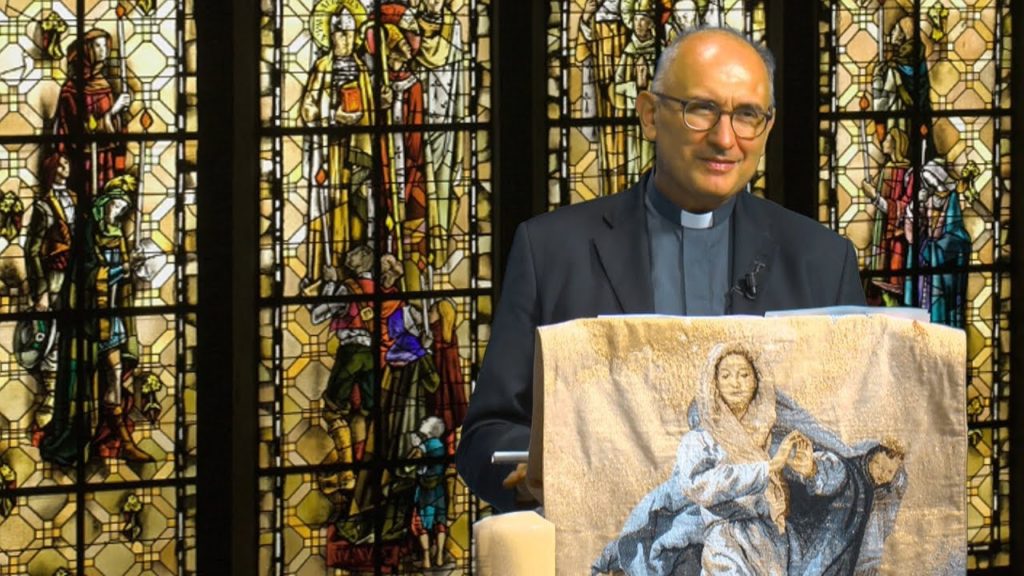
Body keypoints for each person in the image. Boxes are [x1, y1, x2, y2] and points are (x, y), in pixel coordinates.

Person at [456, 26, 867, 512]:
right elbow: (487, 435)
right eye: (701, 110)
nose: (724, 138)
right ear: (650, 115)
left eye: (747, 116)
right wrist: (541, 471)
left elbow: (854, 433)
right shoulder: (550, 251)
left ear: (768, 127)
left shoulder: (822, 259)